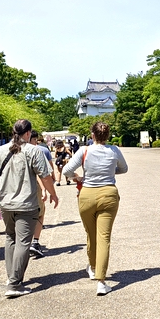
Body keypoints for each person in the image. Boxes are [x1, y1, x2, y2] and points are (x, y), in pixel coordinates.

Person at [0, 119, 59, 298]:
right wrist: (53, 194)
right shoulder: (34, 151)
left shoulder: (0, 151)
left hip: (6, 203)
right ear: (28, 134)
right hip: (27, 203)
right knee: (24, 241)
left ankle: (12, 278)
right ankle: (15, 284)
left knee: (10, 238)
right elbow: (45, 176)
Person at [62, 121, 128, 296]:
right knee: (104, 237)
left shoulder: (84, 150)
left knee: (91, 234)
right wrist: (109, 172)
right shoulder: (114, 150)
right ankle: (101, 280)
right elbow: (124, 168)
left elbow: (66, 170)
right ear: (107, 136)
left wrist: (78, 177)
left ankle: (92, 267)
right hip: (108, 193)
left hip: (87, 194)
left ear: (92, 135)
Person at [28, 130, 54, 258]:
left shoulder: (10, 151)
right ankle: (35, 242)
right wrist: (47, 190)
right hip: (34, 188)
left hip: (14, 191)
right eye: (34, 140)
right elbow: (42, 175)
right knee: (40, 214)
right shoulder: (37, 151)